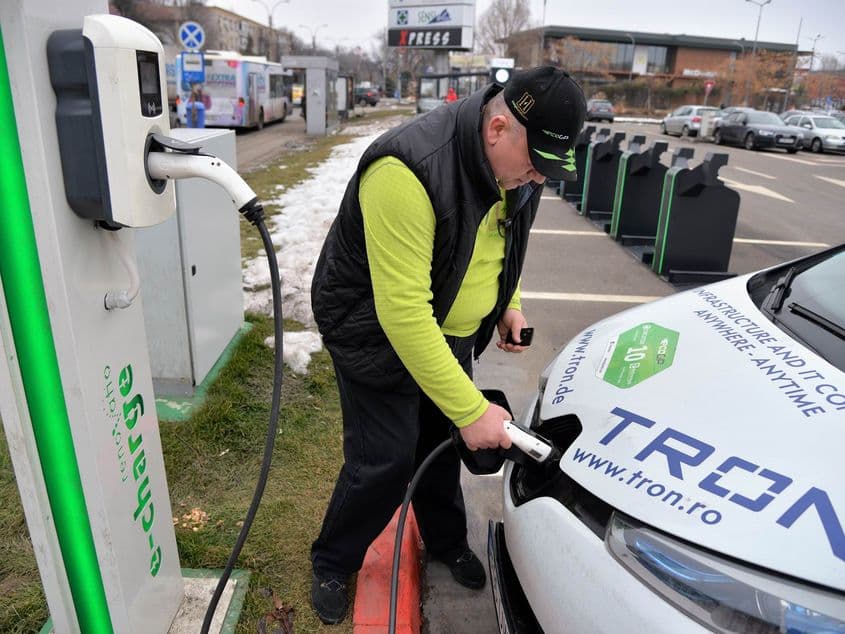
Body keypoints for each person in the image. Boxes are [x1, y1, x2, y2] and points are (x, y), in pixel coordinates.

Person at [309, 66, 586, 625]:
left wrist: (509, 299)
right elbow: (404, 314)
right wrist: (469, 408)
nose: (539, 179)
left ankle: (444, 541)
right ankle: (333, 560)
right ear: (498, 128)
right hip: (374, 331)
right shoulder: (407, 170)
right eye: (535, 163)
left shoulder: (518, 172)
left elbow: (498, 242)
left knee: (438, 447)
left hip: (448, 329)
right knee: (383, 458)